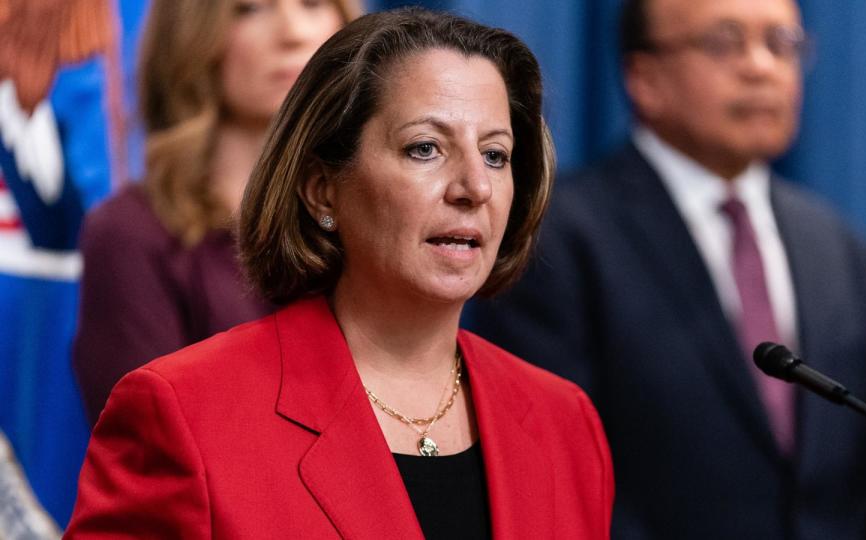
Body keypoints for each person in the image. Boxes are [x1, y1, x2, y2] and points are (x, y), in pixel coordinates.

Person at [65, 8, 614, 538]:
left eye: (496, 155)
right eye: (425, 149)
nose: (475, 187)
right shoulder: (184, 412)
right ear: (322, 189)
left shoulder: (566, 423)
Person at [469, 0, 866, 537]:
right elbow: (554, 472)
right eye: (725, 42)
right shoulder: (556, 241)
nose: (761, 68)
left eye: (781, 44)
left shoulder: (846, 254)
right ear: (644, 78)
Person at [71, 0, 360, 425]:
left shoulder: (374, 218)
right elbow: (150, 445)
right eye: (250, 9)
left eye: (313, 3)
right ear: (191, 39)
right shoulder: (129, 234)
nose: (293, 32)